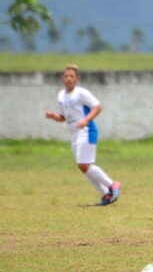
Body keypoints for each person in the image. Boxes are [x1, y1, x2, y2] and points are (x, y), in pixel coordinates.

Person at [45, 64, 122, 205]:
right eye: (66, 76)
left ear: (77, 79)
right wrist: (54, 116)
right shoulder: (61, 95)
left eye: (72, 76)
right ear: (63, 78)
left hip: (87, 131)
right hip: (74, 134)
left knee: (83, 164)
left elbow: (98, 107)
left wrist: (85, 120)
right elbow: (64, 117)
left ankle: (113, 185)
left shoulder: (81, 93)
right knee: (83, 167)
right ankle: (106, 194)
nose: (69, 79)